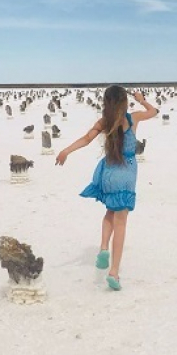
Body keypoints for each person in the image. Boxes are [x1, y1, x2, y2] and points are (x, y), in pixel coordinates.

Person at [55, 85, 158, 290]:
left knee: (110, 210)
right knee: (121, 223)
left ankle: (103, 248)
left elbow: (86, 139)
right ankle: (114, 272)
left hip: (108, 172)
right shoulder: (132, 118)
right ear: (124, 102)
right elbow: (154, 112)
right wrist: (142, 99)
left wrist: (66, 150)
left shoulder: (104, 122)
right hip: (126, 173)